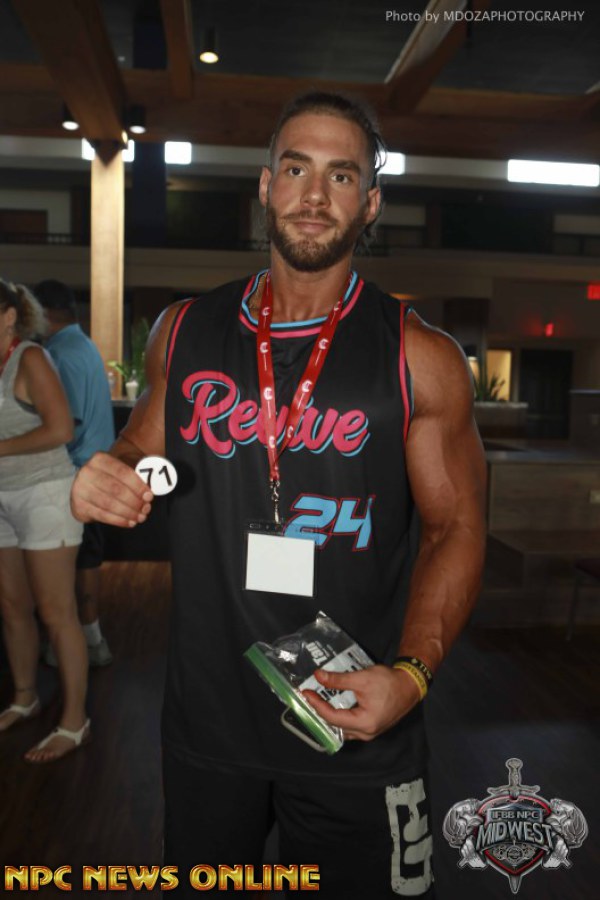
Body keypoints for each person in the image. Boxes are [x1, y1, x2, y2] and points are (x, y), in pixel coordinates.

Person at [71, 92, 486, 897]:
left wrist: (411, 676)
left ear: (371, 203)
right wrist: (107, 472)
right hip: (209, 723)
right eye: (296, 169)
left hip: (356, 716)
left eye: (342, 175)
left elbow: (456, 528)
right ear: (265, 186)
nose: (314, 194)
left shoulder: (418, 357)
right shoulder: (185, 331)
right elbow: (139, 449)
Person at [0, 279, 89, 762]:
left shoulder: (30, 359)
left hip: (45, 493)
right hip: (2, 496)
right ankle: (24, 697)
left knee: (57, 612)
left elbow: (60, 429)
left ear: (9, 315)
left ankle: (75, 723)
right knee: (13, 606)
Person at [35, 279, 115, 667]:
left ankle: (79, 643)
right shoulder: (82, 345)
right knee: (86, 559)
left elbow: (64, 423)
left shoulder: (60, 354)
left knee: (69, 565)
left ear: (42, 313)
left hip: (74, 474)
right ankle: (91, 638)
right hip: (94, 468)